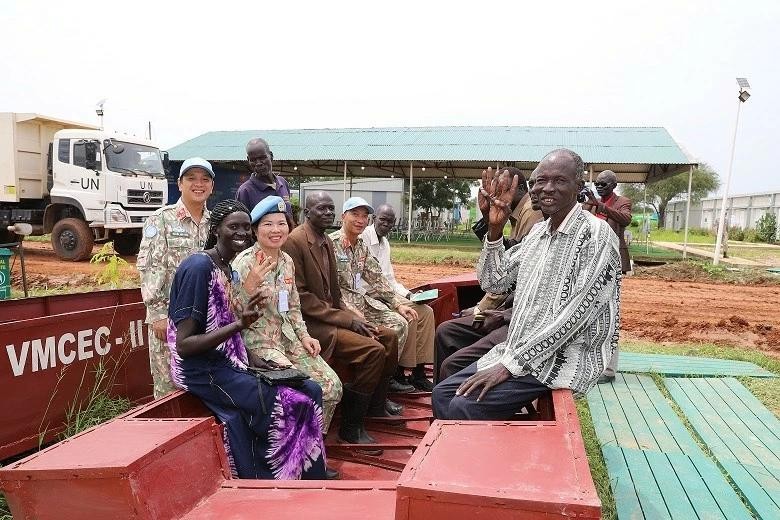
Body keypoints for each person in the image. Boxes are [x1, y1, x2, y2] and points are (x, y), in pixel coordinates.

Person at [432, 149, 622, 420]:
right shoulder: (538, 233)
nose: (547, 188)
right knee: (442, 394)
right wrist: (494, 230)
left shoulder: (596, 234)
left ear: (578, 187)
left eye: (559, 181)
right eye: (540, 181)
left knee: (464, 406)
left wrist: (509, 366)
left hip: (559, 358)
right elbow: (494, 281)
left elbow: (576, 315)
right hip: (520, 350)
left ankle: (481, 460)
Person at [167, 199, 326, 480]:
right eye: (233, 227)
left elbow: (234, 330)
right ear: (216, 229)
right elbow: (185, 345)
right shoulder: (198, 268)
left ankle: (306, 472)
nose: (241, 232)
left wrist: (256, 361)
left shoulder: (228, 269)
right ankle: (277, 477)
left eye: (244, 227)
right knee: (290, 402)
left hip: (232, 361)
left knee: (311, 388)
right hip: (204, 370)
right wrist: (240, 324)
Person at [282, 192, 399, 451]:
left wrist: (351, 316)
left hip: (332, 316)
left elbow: (335, 292)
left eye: (330, 209)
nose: (327, 213)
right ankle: (351, 427)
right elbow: (301, 297)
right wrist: (344, 320)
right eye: (321, 208)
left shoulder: (325, 240)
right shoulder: (295, 242)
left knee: (388, 336)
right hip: (314, 324)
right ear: (307, 213)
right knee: (373, 350)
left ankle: (374, 408)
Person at [233, 196, 343, 435]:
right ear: (254, 230)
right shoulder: (243, 264)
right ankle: (291, 452)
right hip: (259, 344)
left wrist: (304, 337)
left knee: (331, 386)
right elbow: (232, 316)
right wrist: (248, 289)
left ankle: (314, 446)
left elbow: (292, 307)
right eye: (268, 224)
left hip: (289, 339)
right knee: (302, 390)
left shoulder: (287, 261)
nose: (276, 230)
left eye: (281, 224)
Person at [433, 169, 543, 383]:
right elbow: (497, 273)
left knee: (451, 353)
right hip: (510, 310)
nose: (496, 194)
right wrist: (491, 223)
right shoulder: (517, 214)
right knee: (446, 330)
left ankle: (450, 395)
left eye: (502, 189)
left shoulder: (533, 214)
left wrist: (481, 310)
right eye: (495, 189)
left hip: (517, 320)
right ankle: (444, 394)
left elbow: (508, 278)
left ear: (519, 189)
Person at [137, 157, 214, 398]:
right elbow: (149, 268)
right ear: (179, 184)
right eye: (191, 178)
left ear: (212, 186)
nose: (198, 184)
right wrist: (158, 314)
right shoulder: (161, 219)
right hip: (170, 321)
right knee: (169, 386)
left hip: (204, 321)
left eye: (205, 179)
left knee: (200, 387)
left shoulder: (215, 223)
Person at [330, 197, 418, 403]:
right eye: (355, 215)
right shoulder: (331, 244)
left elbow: (377, 278)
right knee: (377, 335)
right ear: (343, 217)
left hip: (363, 303)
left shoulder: (360, 245)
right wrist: (347, 311)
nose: (360, 220)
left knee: (400, 323)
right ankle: (368, 391)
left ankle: (383, 387)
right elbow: (328, 288)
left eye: (364, 216)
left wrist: (398, 304)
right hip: (342, 308)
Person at [361, 203, 436, 391]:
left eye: (390, 221)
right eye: (382, 220)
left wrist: (410, 294)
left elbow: (389, 280)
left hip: (386, 292)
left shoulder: (385, 244)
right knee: (408, 316)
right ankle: (399, 372)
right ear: (374, 219)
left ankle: (419, 372)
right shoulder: (363, 239)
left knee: (426, 312)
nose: (385, 224)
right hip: (368, 294)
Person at [581, 169, 632, 384]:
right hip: (591, 264)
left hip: (611, 266)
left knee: (609, 315)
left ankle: (609, 370)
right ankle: (591, 364)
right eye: (597, 184)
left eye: (604, 184)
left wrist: (599, 205)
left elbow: (625, 219)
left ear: (613, 185)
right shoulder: (591, 202)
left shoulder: (622, 202)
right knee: (589, 315)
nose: (599, 187)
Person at [235, 138, 293, 219]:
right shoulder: (245, 191)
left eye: (262, 158)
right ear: (248, 160)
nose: (258, 163)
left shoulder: (283, 183)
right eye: (253, 160)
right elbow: (242, 224)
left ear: (271, 156)